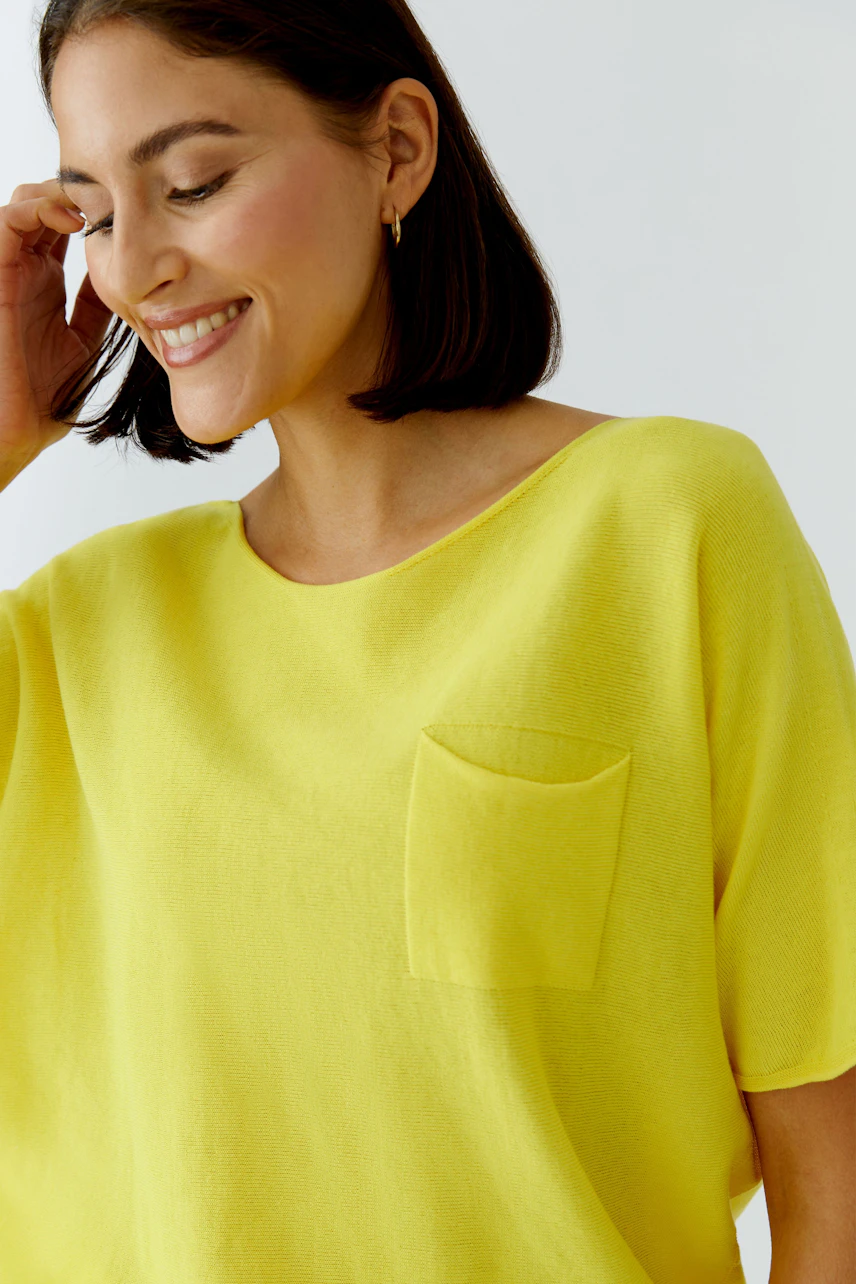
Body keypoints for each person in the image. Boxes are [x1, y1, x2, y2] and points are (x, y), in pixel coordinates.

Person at [0, 3, 853, 1282]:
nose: (133, 270)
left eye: (193, 182)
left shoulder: (665, 525)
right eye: (97, 213)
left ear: (396, 150)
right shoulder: (77, 635)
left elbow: (831, 1160)